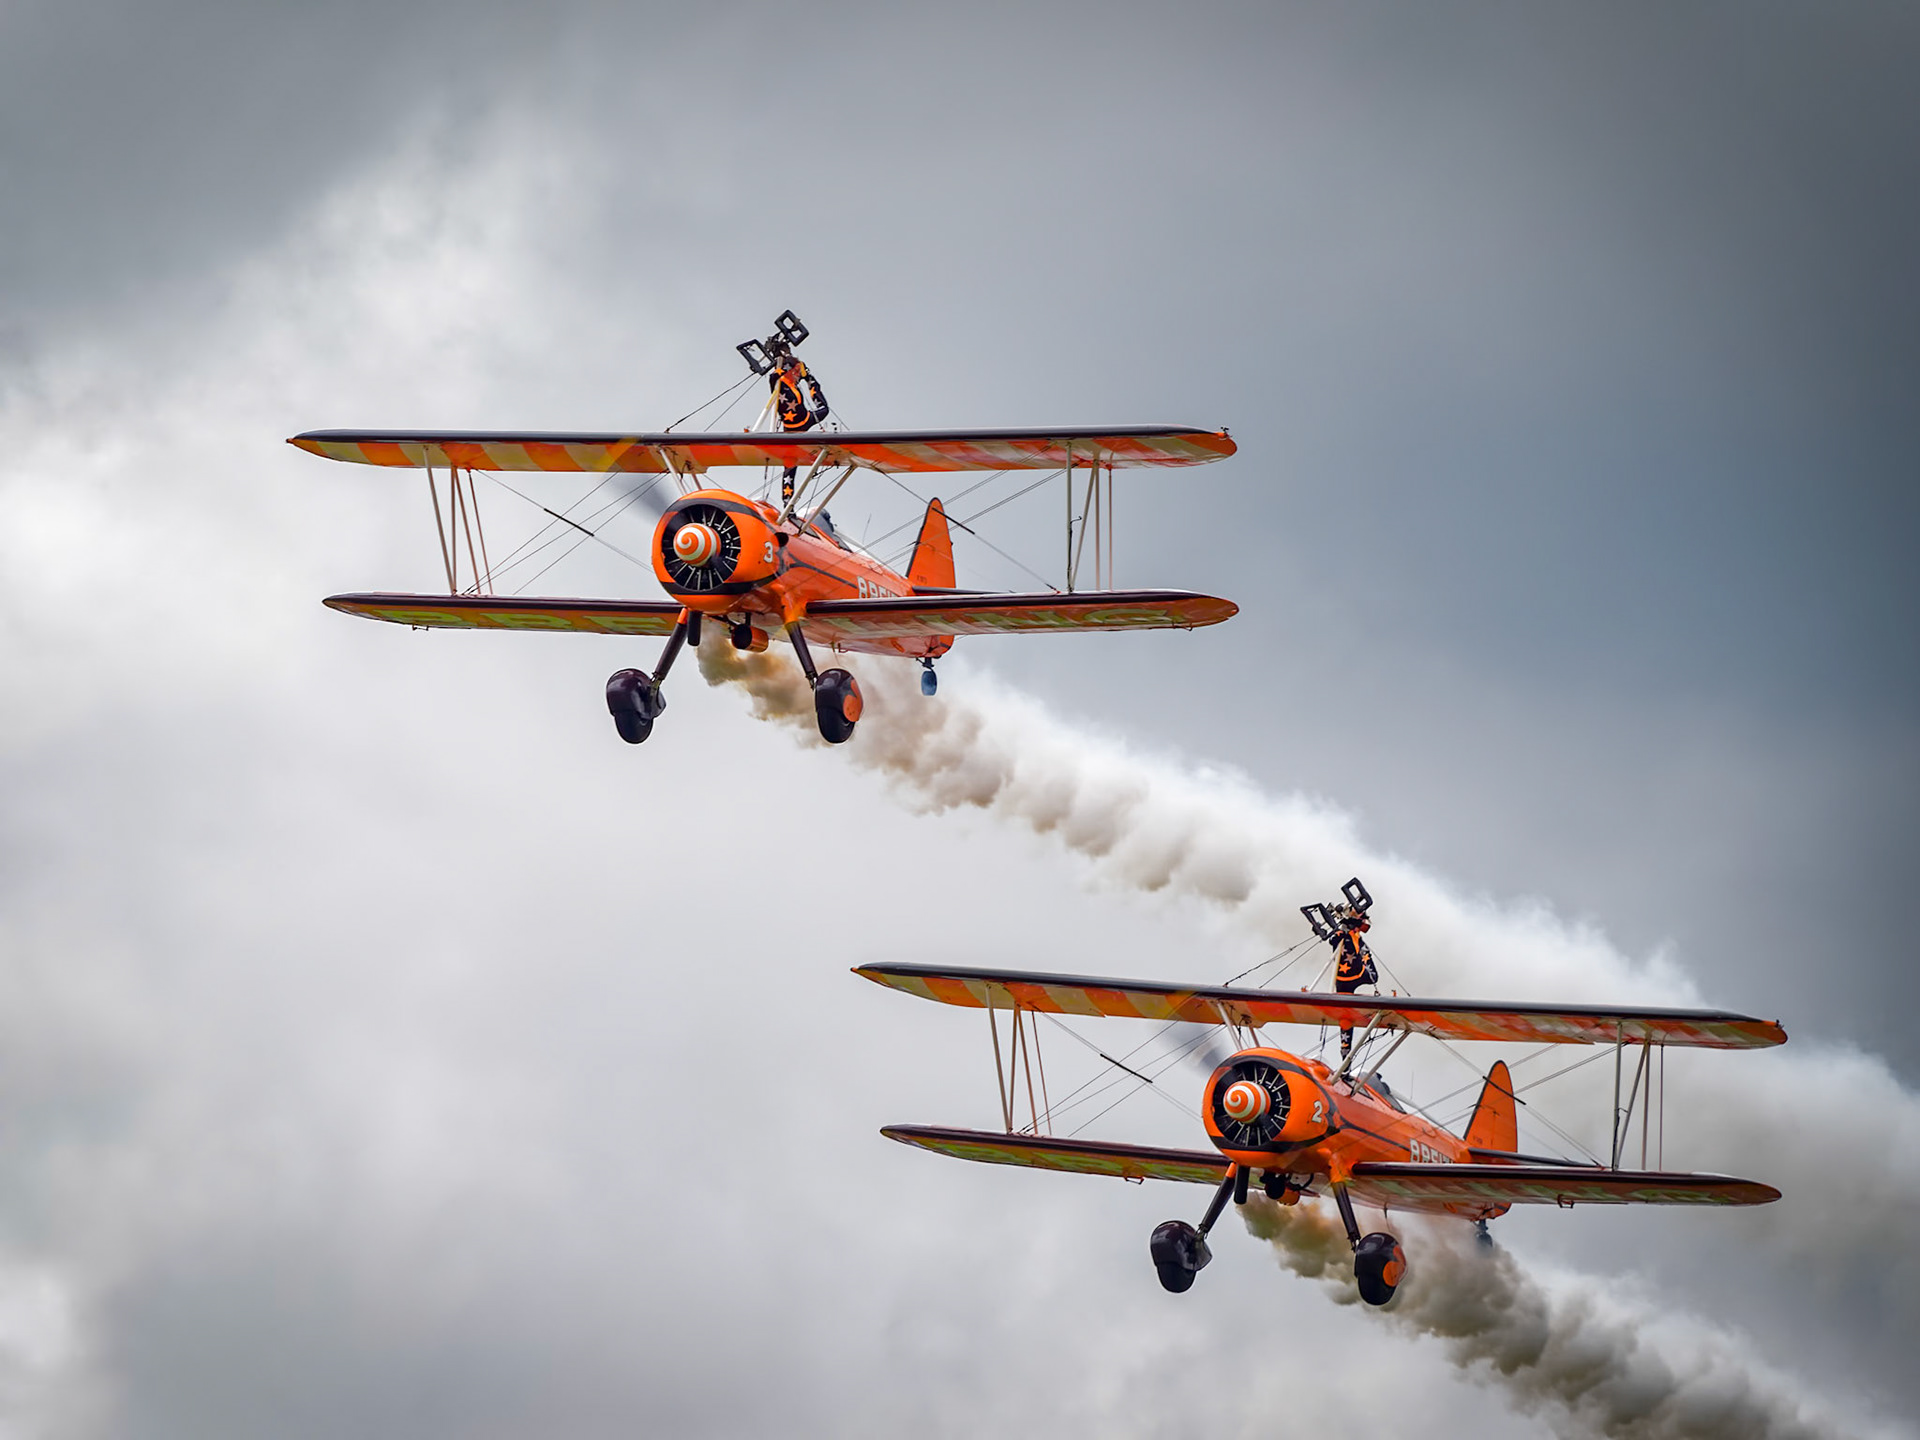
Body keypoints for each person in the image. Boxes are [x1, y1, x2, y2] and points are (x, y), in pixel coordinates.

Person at [769, 348, 830, 505]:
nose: (797, 376)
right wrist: (784, 366)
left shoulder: (792, 384)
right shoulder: (779, 383)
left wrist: (806, 375)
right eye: (796, 373)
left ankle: (788, 503)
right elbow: (772, 377)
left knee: (824, 409)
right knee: (790, 465)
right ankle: (788, 503)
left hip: (806, 419)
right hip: (791, 427)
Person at [1329, 906, 1379, 1060]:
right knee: (1345, 1019)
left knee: (1372, 976)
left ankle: (1346, 1057)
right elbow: (1333, 940)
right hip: (1344, 980)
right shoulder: (1342, 935)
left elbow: (1373, 976)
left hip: (1352, 977)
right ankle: (1345, 1056)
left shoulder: (1357, 938)